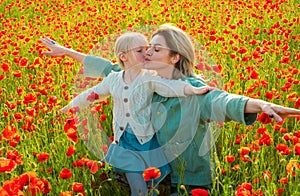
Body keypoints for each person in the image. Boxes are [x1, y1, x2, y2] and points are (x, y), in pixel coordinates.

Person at [41, 24, 300, 195]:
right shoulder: (142, 77)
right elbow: (110, 70)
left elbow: (224, 101)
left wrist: (261, 104)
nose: (147, 54)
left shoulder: (194, 90)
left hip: (186, 181)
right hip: (154, 173)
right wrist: (65, 51)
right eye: (146, 48)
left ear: (174, 57)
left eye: (155, 49)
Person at [51, 32, 214, 196]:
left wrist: (192, 89)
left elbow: (171, 86)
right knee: (138, 188)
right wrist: (67, 109)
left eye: (148, 48)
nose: (147, 53)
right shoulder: (113, 80)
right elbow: (90, 95)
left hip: (146, 141)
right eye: (140, 50)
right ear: (123, 57)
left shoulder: (150, 78)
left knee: (151, 184)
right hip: (125, 143)